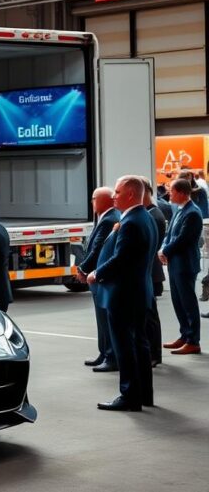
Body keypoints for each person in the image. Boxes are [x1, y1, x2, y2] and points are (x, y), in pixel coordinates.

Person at [88, 176, 157, 411]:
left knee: (125, 347)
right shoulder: (145, 217)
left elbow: (121, 259)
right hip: (139, 292)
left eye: (117, 192)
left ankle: (129, 396)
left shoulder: (131, 222)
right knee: (140, 344)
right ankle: (144, 393)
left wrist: (96, 274)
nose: (114, 196)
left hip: (124, 294)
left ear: (129, 194)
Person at [76, 187, 121, 370]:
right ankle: (104, 353)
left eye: (94, 198)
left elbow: (98, 249)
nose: (92, 202)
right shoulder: (106, 218)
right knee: (101, 320)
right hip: (98, 276)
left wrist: (83, 268)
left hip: (100, 276)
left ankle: (110, 356)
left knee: (105, 319)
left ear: (104, 200)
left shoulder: (110, 219)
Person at [159, 178, 203, 355]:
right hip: (176, 263)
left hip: (185, 264)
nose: (169, 193)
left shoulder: (192, 213)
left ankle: (193, 341)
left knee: (188, 303)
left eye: (172, 190)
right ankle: (185, 335)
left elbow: (184, 239)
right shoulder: (179, 209)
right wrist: (163, 248)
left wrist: (165, 251)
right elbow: (169, 233)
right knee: (178, 302)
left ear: (183, 193)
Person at [140, 176, 166, 368]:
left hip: (151, 273)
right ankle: (152, 352)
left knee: (150, 318)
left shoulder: (153, 215)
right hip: (150, 272)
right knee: (148, 316)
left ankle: (154, 354)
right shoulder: (151, 213)